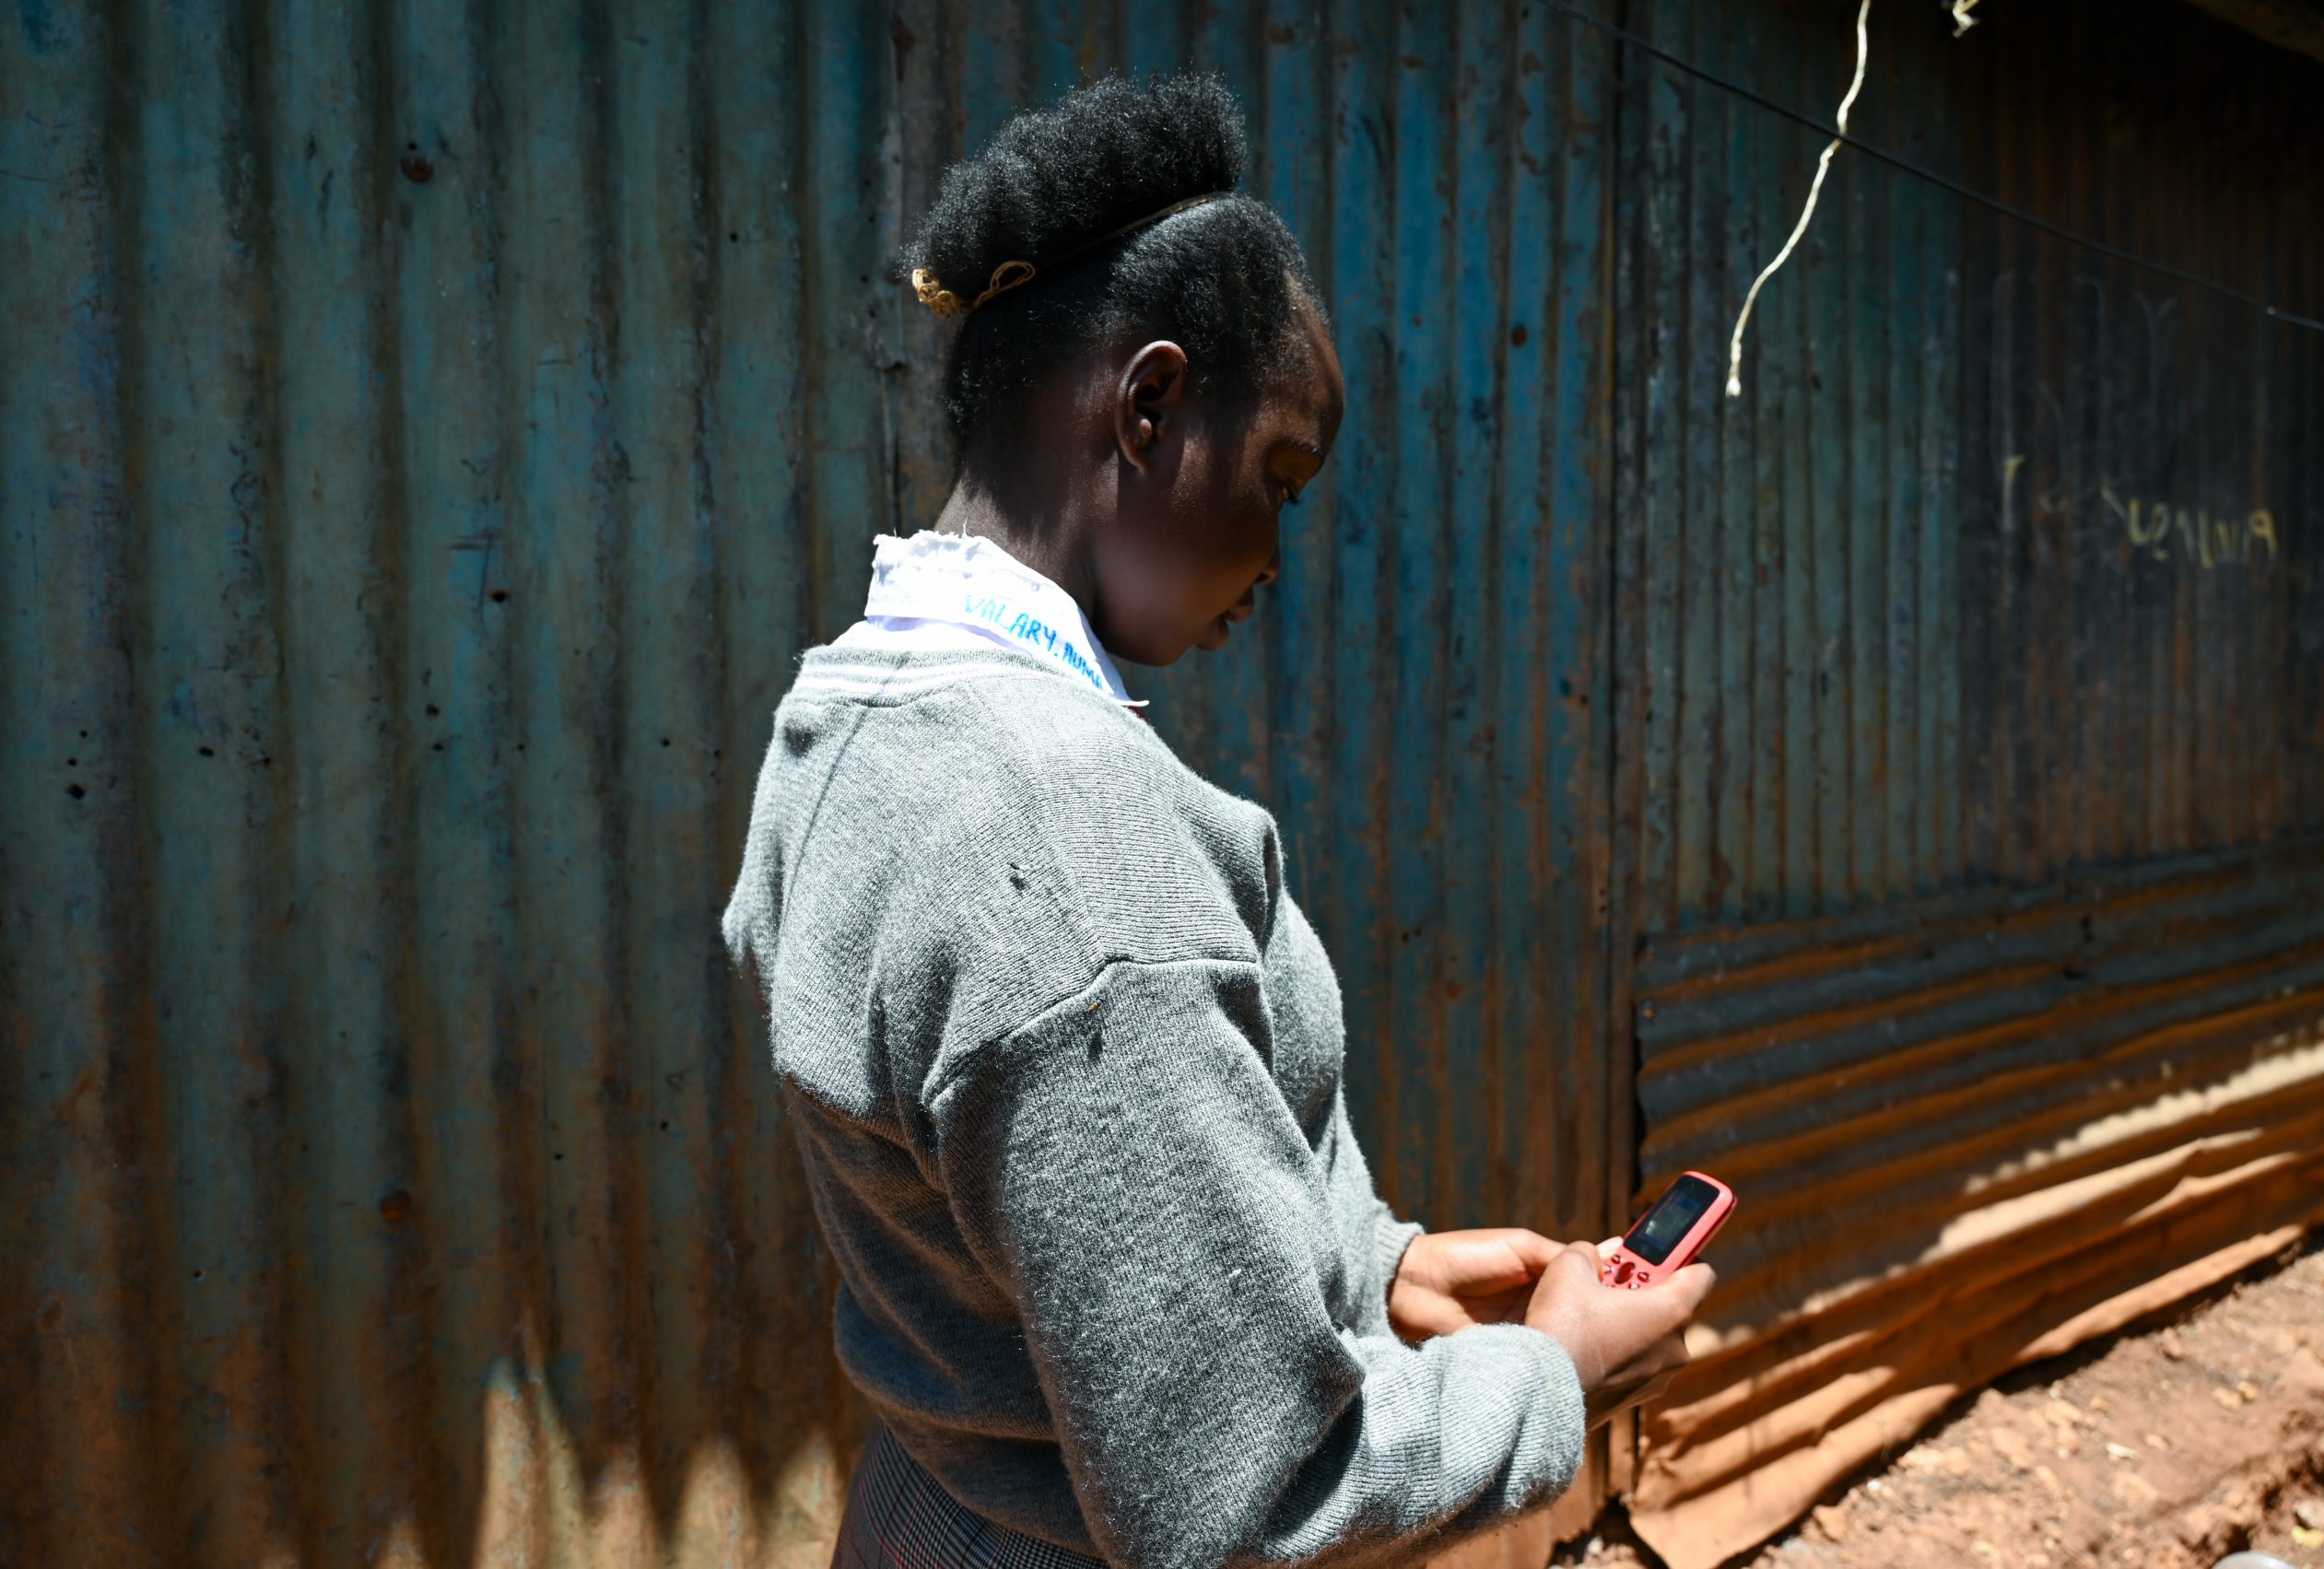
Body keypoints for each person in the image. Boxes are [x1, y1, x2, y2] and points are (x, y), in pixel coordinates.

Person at [722, 71, 1714, 1569]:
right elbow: (1245, 1504)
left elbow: (1029, 1235)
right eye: (1281, 477)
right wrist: (1551, 1375)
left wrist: (1372, 1273)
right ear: (1150, 404)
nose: (1275, 553)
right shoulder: (1068, 841)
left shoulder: (848, 720)